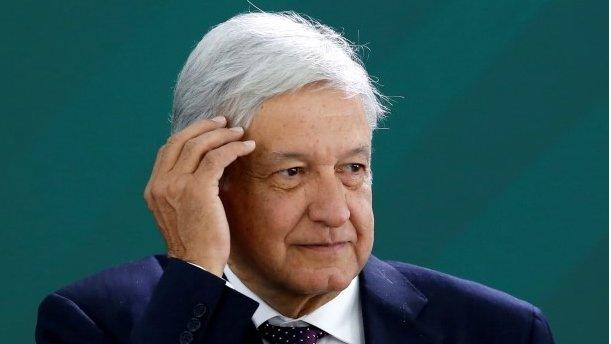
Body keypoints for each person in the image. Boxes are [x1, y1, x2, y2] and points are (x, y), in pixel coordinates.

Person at [35, 11, 555, 344]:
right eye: (292, 172)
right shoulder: (91, 324)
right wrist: (193, 277)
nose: (334, 212)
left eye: (352, 169)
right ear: (208, 179)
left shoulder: (501, 331)